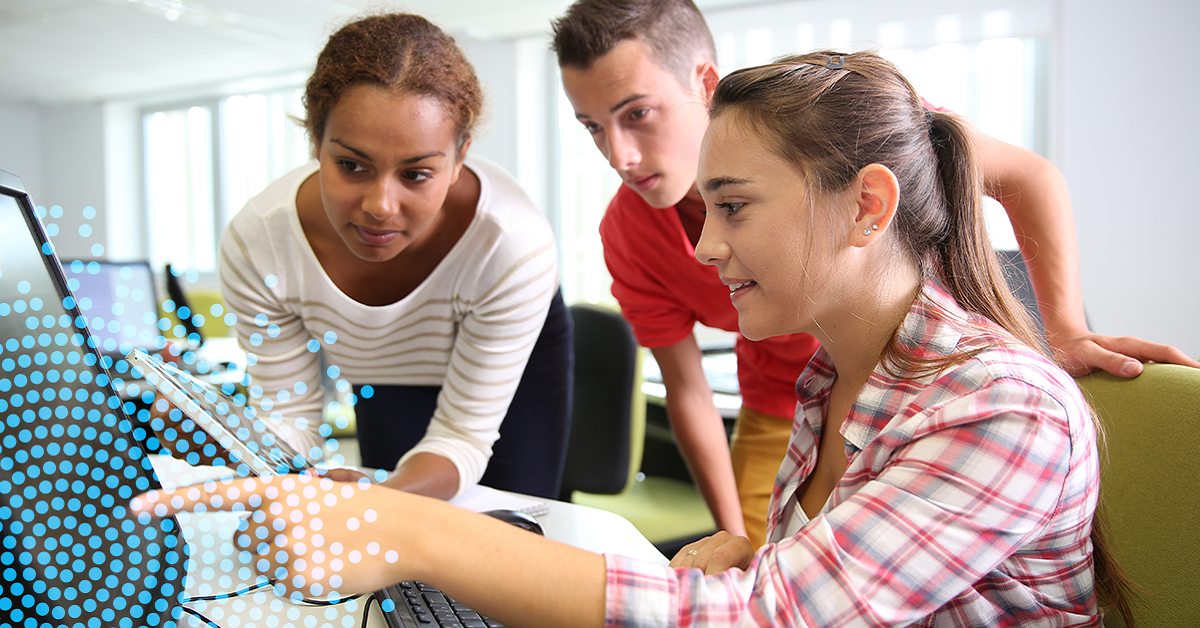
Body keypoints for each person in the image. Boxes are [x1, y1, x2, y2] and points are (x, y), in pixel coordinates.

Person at [136, 50, 1134, 628]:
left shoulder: (1002, 406)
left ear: (867, 206)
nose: (705, 244)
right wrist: (760, 552)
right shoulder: (844, 372)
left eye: (735, 207)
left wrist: (411, 531)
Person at [550, 0, 1200, 547]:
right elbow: (687, 392)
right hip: (795, 409)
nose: (619, 155)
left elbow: (1026, 175)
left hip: (918, 386)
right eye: (592, 128)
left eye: (637, 113)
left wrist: (1061, 329)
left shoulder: (843, 129)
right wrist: (738, 541)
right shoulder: (631, 232)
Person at [197, 14, 572, 500]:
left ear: (460, 159)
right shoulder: (259, 244)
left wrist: (378, 504)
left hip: (511, 360)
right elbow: (289, 420)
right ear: (315, 140)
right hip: (382, 364)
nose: (379, 207)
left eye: (415, 174)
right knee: (397, 532)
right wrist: (223, 444)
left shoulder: (512, 246)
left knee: (514, 524)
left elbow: (462, 437)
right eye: (352, 166)